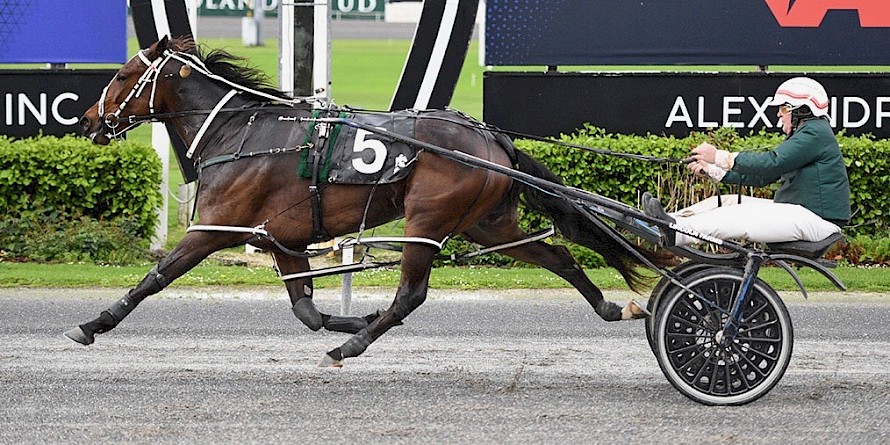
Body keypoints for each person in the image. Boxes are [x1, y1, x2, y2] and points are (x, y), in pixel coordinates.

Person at [642, 76, 851, 247]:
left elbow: (772, 163)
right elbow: (764, 177)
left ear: (802, 110)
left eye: (784, 109)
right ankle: (666, 221)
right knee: (731, 201)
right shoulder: (809, 133)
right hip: (804, 214)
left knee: (740, 212)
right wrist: (714, 171)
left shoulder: (815, 133)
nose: (779, 114)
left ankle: (678, 234)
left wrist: (718, 156)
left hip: (816, 220)